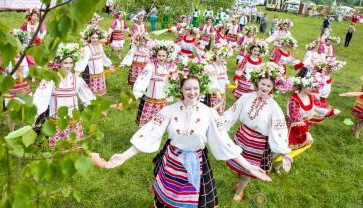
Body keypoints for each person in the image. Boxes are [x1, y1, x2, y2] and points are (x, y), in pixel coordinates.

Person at [93, 58, 271, 208]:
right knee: (168, 199)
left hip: (198, 164)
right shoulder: (169, 111)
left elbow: (224, 142)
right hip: (173, 162)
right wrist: (123, 156)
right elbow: (148, 135)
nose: (192, 92)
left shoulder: (208, 113)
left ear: (202, 88)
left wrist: (248, 166)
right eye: (188, 88)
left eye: (196, 88)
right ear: (180, 90)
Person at [223, 62, 292, 202]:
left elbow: (279, 130)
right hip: (242, 135)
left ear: (273, 88)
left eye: (268, 86)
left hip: (257, 143)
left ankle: (240, 191)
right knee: (239, 165)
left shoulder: (274, 108)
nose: (265, 88)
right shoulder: (246, 97)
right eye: (263, 84)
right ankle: (240, 182)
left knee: (248, 170)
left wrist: (284, 151)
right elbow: (232, 112)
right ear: (257, 82)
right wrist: (219, 125)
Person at [33, 43, 95, 147]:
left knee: (73, 148)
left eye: (71, 63)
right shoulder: (50, 80)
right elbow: (40, 97)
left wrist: (97, 108)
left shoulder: (77, 80)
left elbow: (87, 96)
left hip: (73, 120)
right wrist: (36, 114)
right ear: (59, 63)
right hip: (56, 121)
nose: (69, 65)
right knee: (58, 150)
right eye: (65, 63)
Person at [287, 68, 340, 150]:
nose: (313, 88)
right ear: (302, 85)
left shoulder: (311, 96)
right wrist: (306, 133)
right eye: (310, 86)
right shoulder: (294, 100)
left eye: (314, 86)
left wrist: (331, 111)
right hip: (292, 127)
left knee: (298, 147)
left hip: (304, 125)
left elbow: (320, 106)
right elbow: (296, 118)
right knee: (286, 147)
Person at [133, 41, 176, 127]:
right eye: (159, 55)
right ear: (155, 55)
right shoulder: (150, 66)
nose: (161, 58)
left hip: (162, 98)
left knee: (159, 123)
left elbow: (171, 82)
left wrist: (170, 95)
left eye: (163, 56)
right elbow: (143, 79)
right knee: (146, 123)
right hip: (150, 97)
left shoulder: (169, 67)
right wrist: (137, 92)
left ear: (167, 56)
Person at [76, 26, 113, 96]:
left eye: (97, 38)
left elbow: (103, 57)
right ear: (89, 38)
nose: (95, 40)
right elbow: (84, 61)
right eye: (93, 38)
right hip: (92, 74)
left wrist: (109, 65)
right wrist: (78, 71)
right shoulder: (87, 48)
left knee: (100, 92)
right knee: (92, 94)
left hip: (100, 72)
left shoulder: (100, 46)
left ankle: (98, 103)